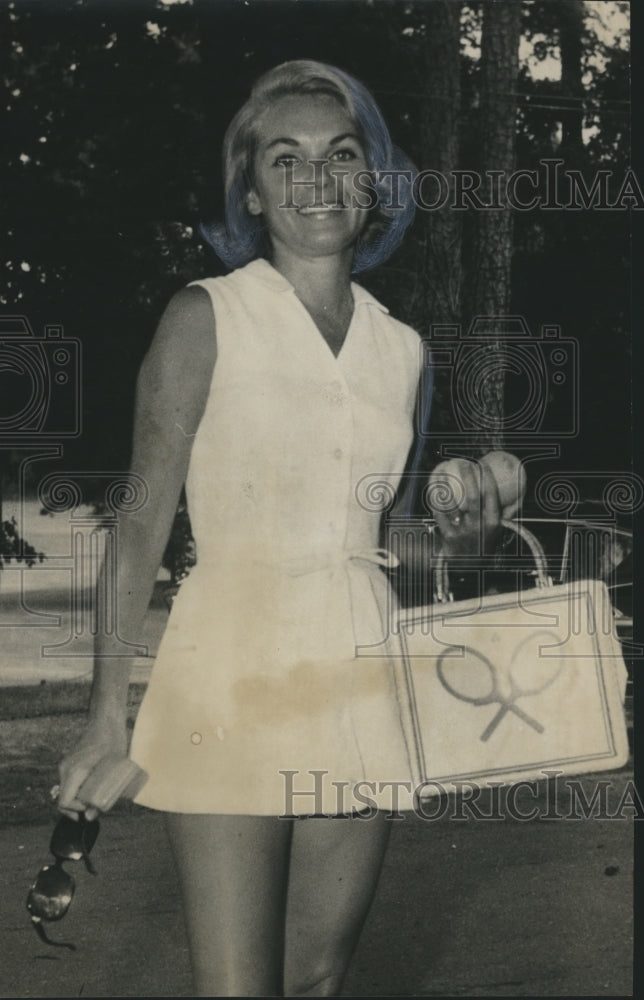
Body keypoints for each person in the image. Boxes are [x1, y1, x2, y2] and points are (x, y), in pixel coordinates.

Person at [57, 60, 510, 997]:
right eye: (286, 157)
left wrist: (467, 523)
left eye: (342, 155)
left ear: (372, 181)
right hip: (230, 665)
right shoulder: (204, 317)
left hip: (363, 662)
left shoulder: (403, 346)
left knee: (314, 977)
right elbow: (139, 523)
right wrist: (107, 715)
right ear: (253, 191)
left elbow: (397, 542)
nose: (316, 179)